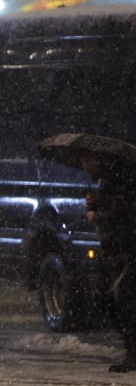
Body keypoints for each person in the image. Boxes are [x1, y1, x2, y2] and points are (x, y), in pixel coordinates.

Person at [81, 151, 136, 372]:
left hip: (127, 250)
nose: (85, 165)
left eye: (87, 160)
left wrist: (98, 215)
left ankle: (132, 353)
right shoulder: (107, 182)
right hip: (116, 250)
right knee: (117, 303)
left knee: (126, 304)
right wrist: (93, 207)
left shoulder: (120, 182)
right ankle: (131, 351)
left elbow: (125, 214)